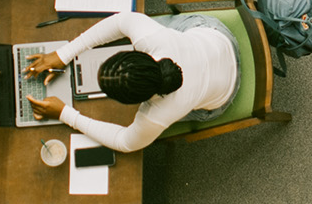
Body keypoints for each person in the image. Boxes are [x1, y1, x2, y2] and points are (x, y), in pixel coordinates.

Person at [23, 11, 238, 152]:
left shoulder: (156, 115)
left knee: (153, 24)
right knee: (152, 25)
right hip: (218, 39)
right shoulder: (153, 40)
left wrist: (66, 114)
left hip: (225, 96)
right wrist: (64, 54)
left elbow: (125, 143)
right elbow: (120, 20)